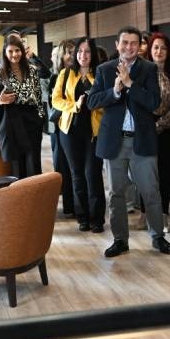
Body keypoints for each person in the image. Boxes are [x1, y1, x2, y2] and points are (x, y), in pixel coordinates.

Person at [88, 26, 170, 257]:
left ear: (140, 46)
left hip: (142, 140)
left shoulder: (149, 69)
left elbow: (154, 103)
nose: (129, 47)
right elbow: (92, 101)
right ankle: (120, 240)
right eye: (124, 42)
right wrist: (115, 92)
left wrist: (130, 84)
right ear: (117, 45)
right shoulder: (104, 69)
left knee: (151, 191)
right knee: (116, 193)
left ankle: (158, 236)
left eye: (134, 43)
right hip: (114, 141)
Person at [52, 39, 107, 233]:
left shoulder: (100, 74)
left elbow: (107, 100)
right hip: (70, 131)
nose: (83, 55)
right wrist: (74, 105)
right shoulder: (66, 73)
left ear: (93, 54)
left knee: (93, 174)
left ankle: (97, 219)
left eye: (88, 52)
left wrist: (95, 103)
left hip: (94, 132)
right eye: (80, 52)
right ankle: (82, 217)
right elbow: (56, 100)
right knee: (76, 175)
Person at [0, 35, 44, 178]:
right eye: (10, 51)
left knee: (34, 162)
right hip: (11, 120)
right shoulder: (0, 72)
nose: (14, 54)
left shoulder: (32, 70)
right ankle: (20, 191)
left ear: (22, 51)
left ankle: (35, 190)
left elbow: (38, 95)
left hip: (32, 119)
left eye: (17, 50)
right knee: (17, 164)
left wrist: (40, 117)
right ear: (5, 53)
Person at [144, 32, 170, 221]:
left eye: (163, 48)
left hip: (167, 130)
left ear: (169, 52)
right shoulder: (141, 74)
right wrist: (148, 126)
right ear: (150, 50)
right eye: (156, 47)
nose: (159, 51)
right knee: (146, 174)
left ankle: (163, 215)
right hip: (145, 129)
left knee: (165, 174)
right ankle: (146, 213)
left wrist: (158, 125)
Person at [49, 40, 77, 215]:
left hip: (76, 125)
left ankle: (78, 204)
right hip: (60, 127)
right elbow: (55, 103)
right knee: (63, 166)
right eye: (68, 52)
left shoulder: (79, 74)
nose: (72, 56)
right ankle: (69, 205)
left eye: (74, 52)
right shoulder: (56, 76)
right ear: (61, 55)